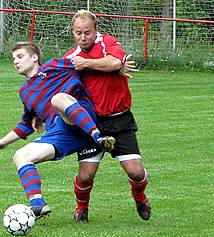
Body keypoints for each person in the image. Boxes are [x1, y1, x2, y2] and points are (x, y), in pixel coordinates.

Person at [0, 42, 115, 219]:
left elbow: (86, 63)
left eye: (20, 57)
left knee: (57, 99)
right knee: (20, 156)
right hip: (60, 133)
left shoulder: (54, 65)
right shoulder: (25, 92)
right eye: (13, 59)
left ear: (35, 57)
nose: (16, 61)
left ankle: (98, 137)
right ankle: (37, 205)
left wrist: (117, 66)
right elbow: (25, 124)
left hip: (81, 114)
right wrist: (3, 142)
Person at [63, 10, 150, 222]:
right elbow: (59, 87)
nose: (83, 37)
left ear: (96, 31)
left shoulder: (107, 43)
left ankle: (139, 196)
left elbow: (115, 63)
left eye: (87, 33)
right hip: (92, 123)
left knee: (136, 173)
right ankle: (81, 208)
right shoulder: (69, 58)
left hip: (120, 119)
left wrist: (88, 64)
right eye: (78, 33)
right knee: (85, 175)